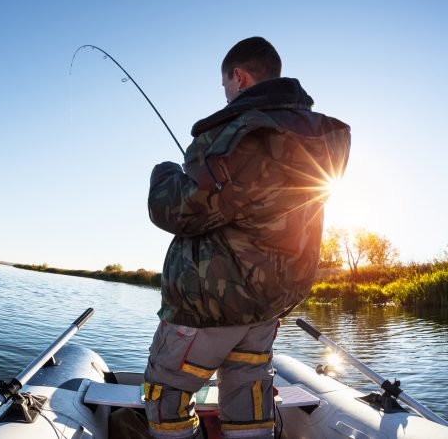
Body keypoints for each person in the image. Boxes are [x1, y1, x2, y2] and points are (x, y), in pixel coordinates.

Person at [143, 37, 351, 439]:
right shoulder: (319, 137)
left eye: (224, 85)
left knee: (165, 393)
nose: (224, 94)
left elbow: (180, 210)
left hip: (210, 304)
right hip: (268, 305)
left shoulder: (238, 132)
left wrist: (163, 173)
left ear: (239, 77)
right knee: (248, 394)